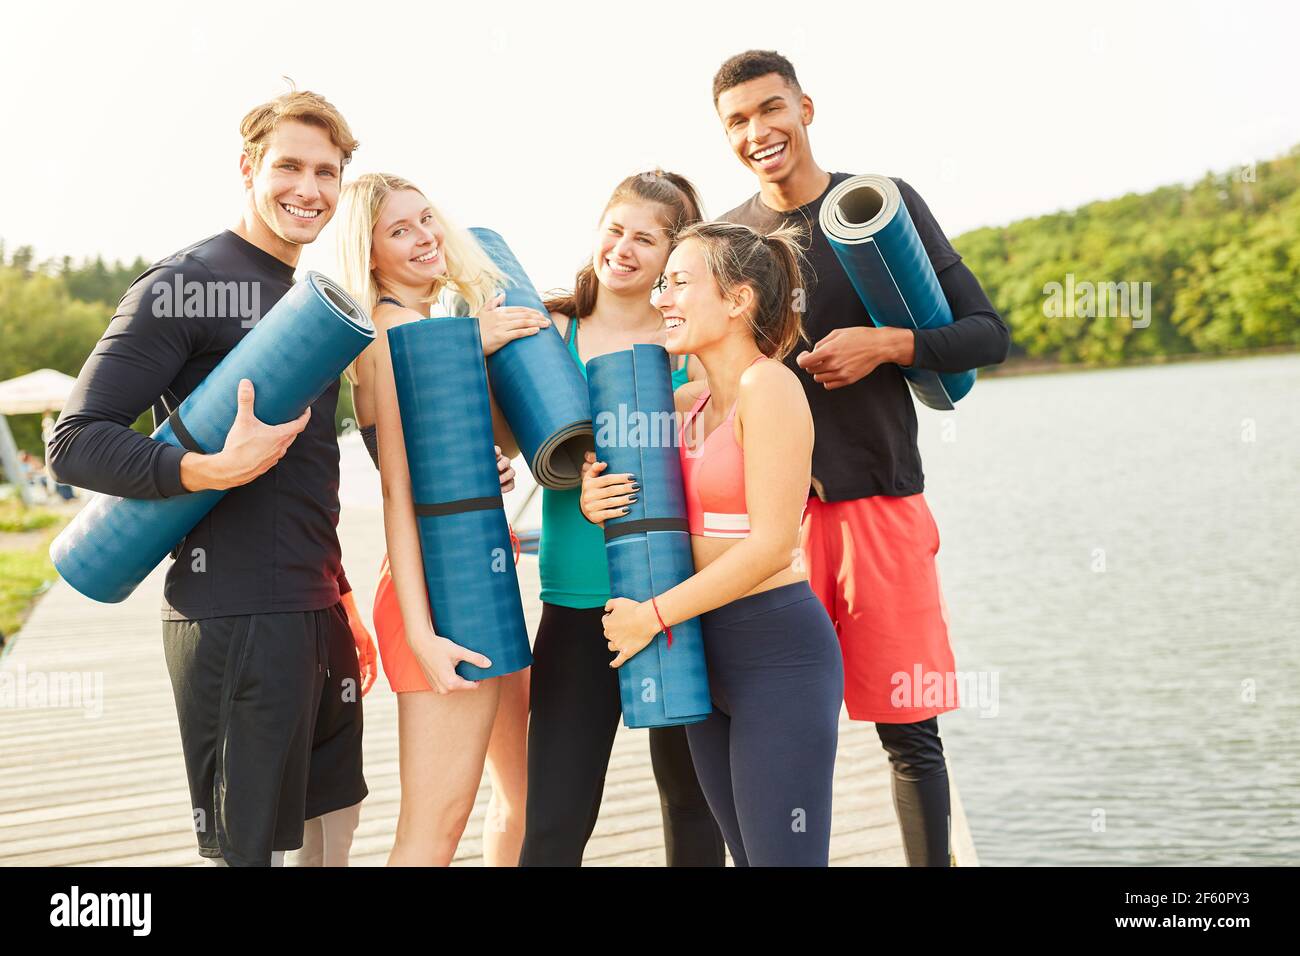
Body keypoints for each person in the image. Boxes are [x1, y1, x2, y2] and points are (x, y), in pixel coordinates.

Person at [47, 89, 374, 866]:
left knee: (335, 828)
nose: (309, 189)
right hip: (233, 617)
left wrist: (341, 598)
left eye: (327, 173)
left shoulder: (304, 302)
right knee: (247, 851)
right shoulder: (184, 282)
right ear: (248, 168)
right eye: (288, 166)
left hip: (313, 610)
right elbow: (75, 443)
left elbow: (307, 476)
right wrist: (207, 467)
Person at [711, 50, 1011, 865]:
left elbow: (989, 334)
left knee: (910, 736)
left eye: (770, 109)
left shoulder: (877, 205)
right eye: (736, 120)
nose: (757, 130)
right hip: (773, 528)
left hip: (880, 505)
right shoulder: (732, 241)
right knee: (767, 731)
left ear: (806, 108)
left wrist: (889, 345)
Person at [582, 220, 844, 867]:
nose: (662, 298)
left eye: (678, 283)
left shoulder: (771, 388)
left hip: (777, 657)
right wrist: (597, 503)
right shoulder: (683, 404)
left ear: (737, 299)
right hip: (703, 656)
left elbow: (773, 545)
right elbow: (653, 517)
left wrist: (654, 616)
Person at [520, 170, 724, 867]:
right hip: (577, 604)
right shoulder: (550, 330)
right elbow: (503, 435)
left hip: (677, 602)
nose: (625, 249)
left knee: (693, 809)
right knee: (553, 821)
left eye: (647, 238)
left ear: (675, 254)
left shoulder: (695, 342)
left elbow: (724, 458)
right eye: (616, 230)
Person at [335, 172, 534, 866]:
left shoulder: (435, 329)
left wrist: (489, 460)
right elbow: (397, 496)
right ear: (369, 255)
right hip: (440, 595)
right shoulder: (391, 333)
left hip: (483, 573)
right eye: (399, 230)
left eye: (426, 219)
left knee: (524, 800)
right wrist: (421, 634)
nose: (425, 237)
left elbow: (466, 455)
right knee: (432, 831)